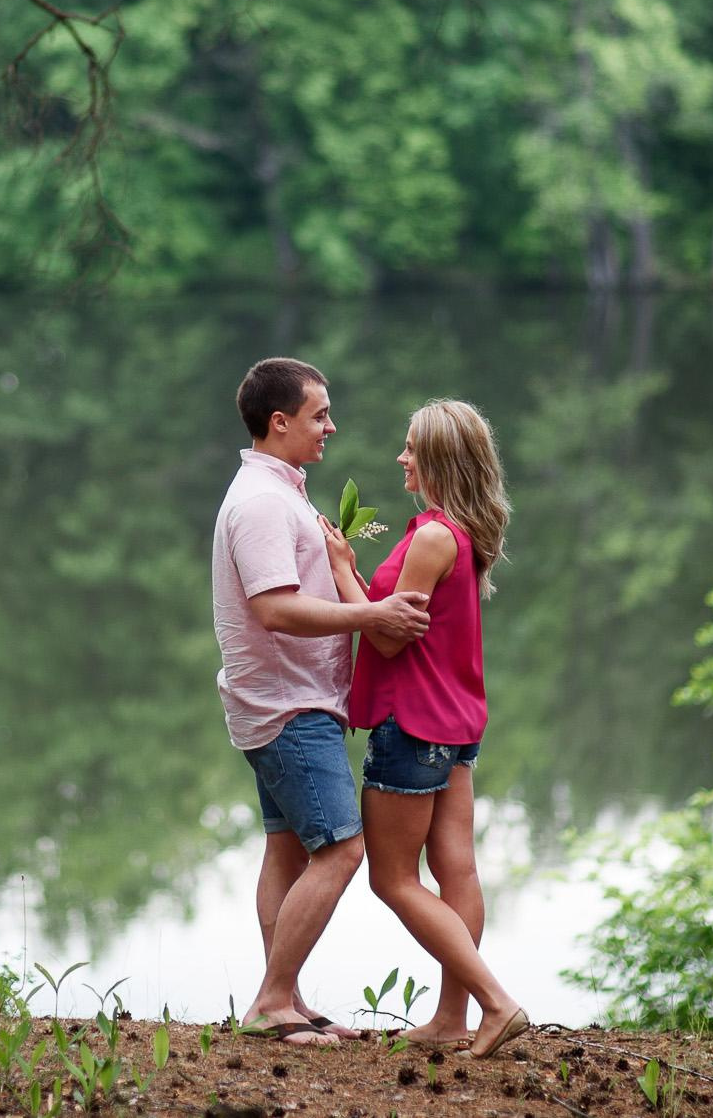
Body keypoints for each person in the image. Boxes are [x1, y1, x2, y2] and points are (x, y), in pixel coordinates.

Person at [212, 357, 433, 1047]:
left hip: (292, 702)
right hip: (287, 708)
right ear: (280, 422)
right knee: (339, 849)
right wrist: (372, 617)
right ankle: (271, 1001)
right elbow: (276, 610)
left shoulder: (282, 492)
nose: (330, 426)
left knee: (287, 851)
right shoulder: (260, 504)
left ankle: (288, 997)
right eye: (319, 415)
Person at [323, 398, 529, 1059]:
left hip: (411, 724)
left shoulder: (435, 535)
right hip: (456, 722)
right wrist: (358, 576)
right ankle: (451, 1016)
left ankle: (495, 1002)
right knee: (455, 867)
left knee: (393, 878)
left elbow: (383, 640)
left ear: (438, 458)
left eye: (411, 447)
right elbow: (396, 617)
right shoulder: (457, 533)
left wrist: (337, 574)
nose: (401, 457)